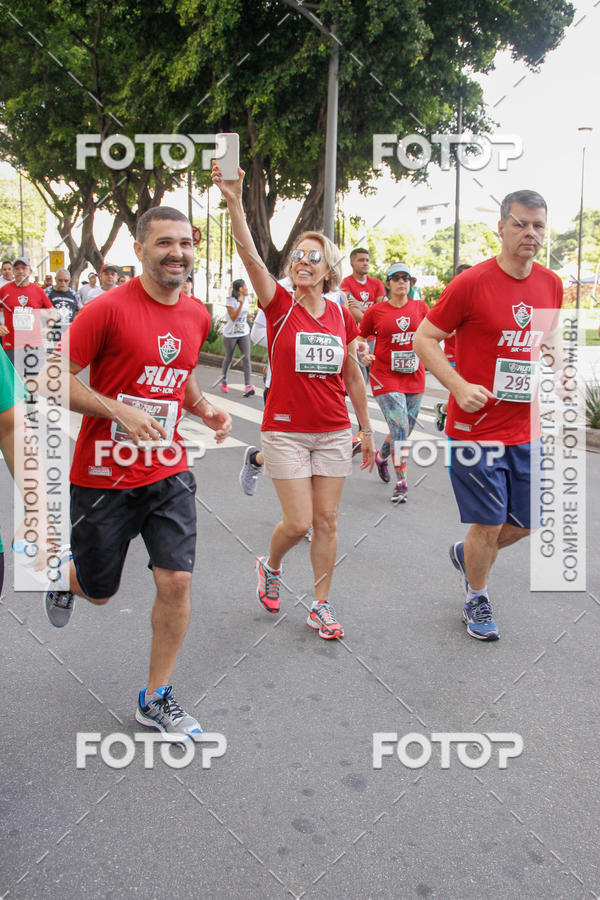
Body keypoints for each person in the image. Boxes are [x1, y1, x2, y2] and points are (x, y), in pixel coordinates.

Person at [41, 206, 232, 740]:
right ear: (140, 250)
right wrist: (118, 410)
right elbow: (52, 380)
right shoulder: (105, 310)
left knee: (177, 580)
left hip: (166, 471)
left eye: (186, 243)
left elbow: (180, 376)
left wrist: (203, 409)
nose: (178, 252)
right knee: (100, 591)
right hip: (102, 477)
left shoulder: (196, 315)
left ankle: (156, 698)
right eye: (164, 242)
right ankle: (66, 578)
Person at [213, 161, 374, 640]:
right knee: (299, 522)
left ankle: (320, 605)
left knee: (327, 520)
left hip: (332, 430)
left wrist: (364, 428)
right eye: (298, 256)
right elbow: (247, 254)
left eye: (314, 257)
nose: (303, 261)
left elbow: (352, 374)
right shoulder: (278, 303)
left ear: (328, 272)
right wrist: (235, 200)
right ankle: (272, 564)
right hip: (283, 429)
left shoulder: (341, 316)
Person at [414, 189, 563, 641]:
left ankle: (468, 554)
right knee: (490, 521)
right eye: (520, 224)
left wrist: (557, 366)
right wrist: (457, 386)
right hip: (474, 430)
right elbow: (424, 338)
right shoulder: (471, 283)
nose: (530, 233)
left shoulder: (551, 283)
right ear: (500, 227)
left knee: (527, 522)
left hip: (525, 428)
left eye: (538, 225)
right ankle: (476, 596)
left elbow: (548, 338)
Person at [359, 262, 426, 503]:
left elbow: (434, 334)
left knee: (405, 429)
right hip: (384, 375)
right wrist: (363, 352)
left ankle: (381, 456)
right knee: (399, 426)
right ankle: (402, 482)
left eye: (406, 278)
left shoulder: (421, 307)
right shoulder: (376, 312)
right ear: (387, 283)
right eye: (396, 278)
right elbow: (359, 338)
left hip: (414, 375)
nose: (401, 281)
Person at [340, 248, 386, 454]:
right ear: (352, 263)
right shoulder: (346, 284)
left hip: (374, 341)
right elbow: (352, 312)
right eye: (361, 260)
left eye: (367, 260)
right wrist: (368, 315)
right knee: (356, 380)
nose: (365, 263)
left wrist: (365, 312)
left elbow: (381, 313)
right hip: (354, 339)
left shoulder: (376, 284)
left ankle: (361, 431)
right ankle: (354, 431)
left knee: (362, 383)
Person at [434, 264, 471, 432]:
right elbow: (434, 333)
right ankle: (448, 417)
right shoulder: (449, 298)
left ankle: (443, 409)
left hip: (471, 358)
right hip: (452, 356)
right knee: (458, 392)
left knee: (464, 394)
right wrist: (451, 329)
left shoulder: (478, 299)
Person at [0, 256, 54, 368]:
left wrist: (48, 327)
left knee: (33, 382)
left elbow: (52, 313)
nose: (20, 271)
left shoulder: (38, 291)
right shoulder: (4, 290)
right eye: (17, 268)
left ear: (30, 271)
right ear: (13, 271)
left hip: (34, 345)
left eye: (23, 268)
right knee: (13, 383)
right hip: (11, 345)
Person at [220, 279, 255, 398]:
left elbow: (244, 314)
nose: (247, 289)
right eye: (245, 286)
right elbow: (234, 317)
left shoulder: (248, 298)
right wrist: (240, 304)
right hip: (230, 334)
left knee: (246, 358)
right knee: (229, 357)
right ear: (240, 288)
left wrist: (248, 317)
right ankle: (223, 378)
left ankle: (248, 386)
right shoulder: (230, 301)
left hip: (243, 332)